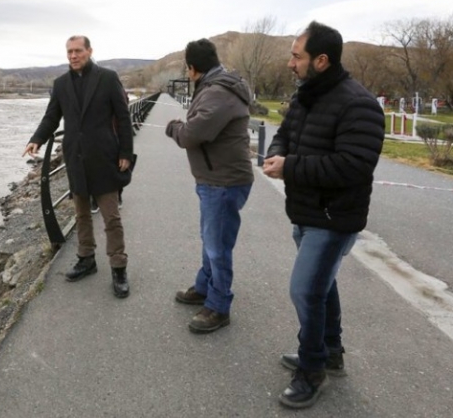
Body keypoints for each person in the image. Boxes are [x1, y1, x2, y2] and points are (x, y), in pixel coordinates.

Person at [262, 21, 384, 408]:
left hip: (333, 218)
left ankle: (312, 369)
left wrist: (291, 166)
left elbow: (354, 165)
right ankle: (330, 352)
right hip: (304, 212)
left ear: (321, 60)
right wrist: (276, 153)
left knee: (305, 290)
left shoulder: (358, 103)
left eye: (296, 56)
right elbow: (284, 133)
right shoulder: (305, 97)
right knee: (321, 287)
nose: (289, 63)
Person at [23, 35, 134, 298]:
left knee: (111, 217)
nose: (73, 56)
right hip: (76, 159)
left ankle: (119, 267)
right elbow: (52, 116)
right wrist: (36, 139)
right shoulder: (60, 84)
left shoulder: (107, 77)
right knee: (82, 214)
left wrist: (126, 152)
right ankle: (86, 259)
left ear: (89, 51)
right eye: (69, 51)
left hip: (105, 158)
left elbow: (123, 116)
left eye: (78, 51)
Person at [165, 38, 254, 333]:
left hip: (223, 181)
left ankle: (219, 306)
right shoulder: (216, 87)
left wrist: (174, 127)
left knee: (217, 247)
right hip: (215, 179)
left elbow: (192, 134)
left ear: (192, 68)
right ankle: (205, 287)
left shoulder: (218, 92)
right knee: (211, 240)